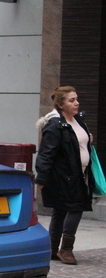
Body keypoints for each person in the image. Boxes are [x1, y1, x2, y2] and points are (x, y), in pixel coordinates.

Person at [35, 86, 95, 265]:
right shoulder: (55, 125)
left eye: (76, 99)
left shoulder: (78, 121)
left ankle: (52, 249)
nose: (76, 103)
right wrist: (42, 178)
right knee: (75, 207)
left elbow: (79, 142)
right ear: (60, 104)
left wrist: (87, 139)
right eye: (71, 100)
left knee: (60, 211)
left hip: (79, 173)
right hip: (63, 176)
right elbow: (46, 153)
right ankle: (66, 249)